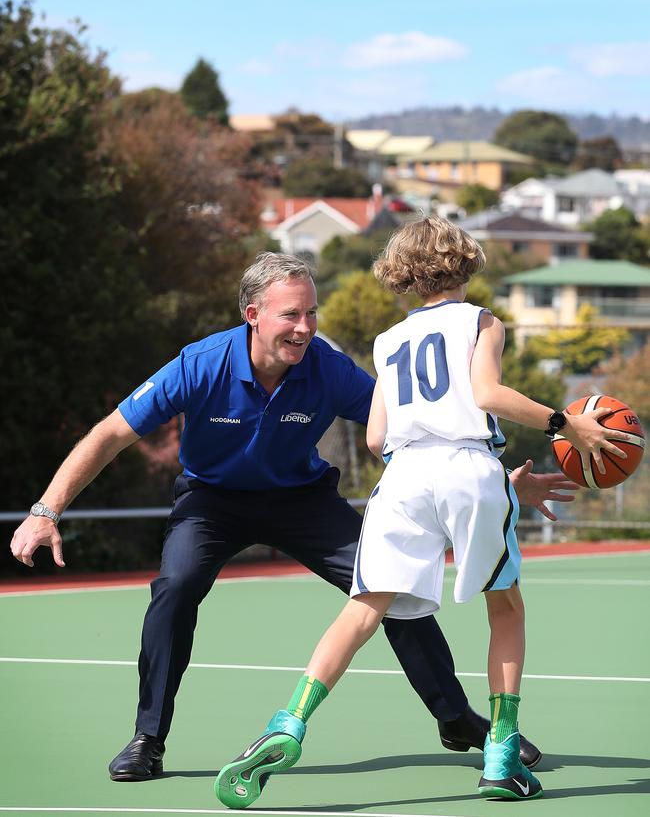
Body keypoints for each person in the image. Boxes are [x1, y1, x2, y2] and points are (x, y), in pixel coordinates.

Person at [12, 252, 577, 783]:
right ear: (252, 316)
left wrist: (501, 482)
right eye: (291, 315)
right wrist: (46, 510)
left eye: (311, 312)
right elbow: (111, 432)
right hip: (212, 503)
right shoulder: (201, 365)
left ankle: (457, 720)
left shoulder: (327, 369)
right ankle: (148, 738)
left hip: (302, 500)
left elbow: (420, 430)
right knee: (175, 588)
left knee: (393, 584)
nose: (305, 327)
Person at [215, 226, 634, 807]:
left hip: (403, 478)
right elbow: (486, 395)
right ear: (466, 264)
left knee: (363, 610)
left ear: (403, 274)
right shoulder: (482, 321)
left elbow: (376, 438)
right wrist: (565, 424)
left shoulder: (388, 341)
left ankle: (288, 723)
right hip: (467, 467)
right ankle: (502, 756)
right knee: (505, 607)